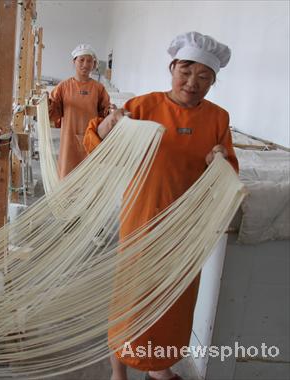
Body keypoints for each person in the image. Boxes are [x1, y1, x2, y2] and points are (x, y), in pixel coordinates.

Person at [83, 31, 238, 380]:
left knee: (173, 302)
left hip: (186, 226)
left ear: (213, 82)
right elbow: (96, 144)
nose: (192, 83)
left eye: (204, 77)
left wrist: (221, 159)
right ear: (172, 69)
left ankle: (159, 367)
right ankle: (118, 369)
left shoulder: (217, 118)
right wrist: (110, 124)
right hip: (142, 214)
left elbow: (229, 169)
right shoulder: (143, 107)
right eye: (186, 73)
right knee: (131, 299)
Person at [48, 43, 111, 179]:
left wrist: (112, 112)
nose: (85, 64)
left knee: (88, 177)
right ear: (74, 62)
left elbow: (105, 113)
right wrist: (46, 104)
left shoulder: (98, 88)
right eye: (81, 60)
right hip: (68, 139)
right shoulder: (63, 87)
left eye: (89, 61)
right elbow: (53, 113)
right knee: (67, 175)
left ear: (94, 64)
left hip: (91, 139)